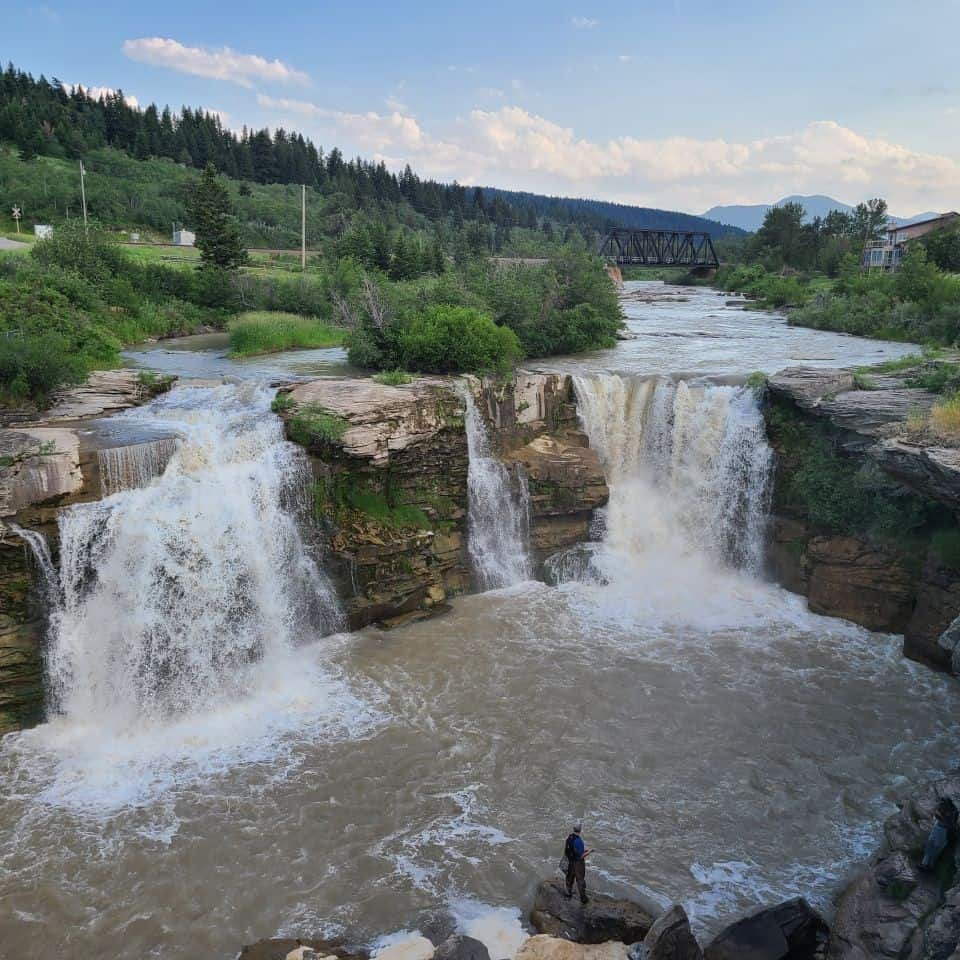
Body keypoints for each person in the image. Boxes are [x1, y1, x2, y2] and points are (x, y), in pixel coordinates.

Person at [920, 797, 958, 871]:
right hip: (937, 827)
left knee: (936, 848)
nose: (941, 805)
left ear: (948, 803)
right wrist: (938, 816)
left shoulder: (954, 811)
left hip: (944, 830)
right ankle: (924, 864)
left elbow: (951, 824)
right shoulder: (942, 807)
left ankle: (930, 866)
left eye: (943, 803)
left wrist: (941, 817)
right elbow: (937, 815)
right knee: (929, 845)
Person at [563, 822, 592, 904]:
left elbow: (572, 850)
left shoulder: (569, 837)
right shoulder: (579, 841)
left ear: (573, 829)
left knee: (569, 878)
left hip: (570, 862)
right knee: (580, 880)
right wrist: (589, 851)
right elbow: (581, 856)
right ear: (580, 830)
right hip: (578, 863)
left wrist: (583, 851)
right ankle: (583, 899)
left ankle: (568, 893)